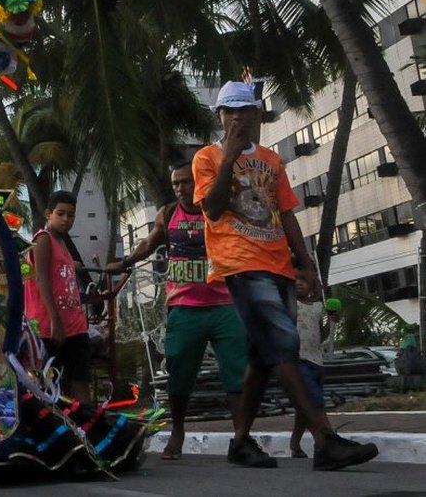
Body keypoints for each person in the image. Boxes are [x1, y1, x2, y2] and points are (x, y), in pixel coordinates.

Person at [192, 80, 378, 471]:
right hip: (240, 263)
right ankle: (325, 440)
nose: (238, 117)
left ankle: (240, 443)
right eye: (230, 111)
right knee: (284, 344)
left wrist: (306, 264)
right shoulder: (206, 158)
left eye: (246, 110)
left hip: (278, 263)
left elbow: (287, 213)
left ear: (259, 115)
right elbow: (210, 209)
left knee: (263, 357)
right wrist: (228, 157)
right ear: (220, 116)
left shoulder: (272, 160)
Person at [105, 162, 247, 460]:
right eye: (176, 184)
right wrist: (126, 263)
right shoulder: (168, 214)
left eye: (186, 182)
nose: (181, 188)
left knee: (236, 374)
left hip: (225, 305)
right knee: (179, 375)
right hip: (184, 308)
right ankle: (178, 432)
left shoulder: (220, 210)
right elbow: (148, 242)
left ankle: (242, 437)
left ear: (201, 183)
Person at [25, 190, 92, 404]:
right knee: (48, 386)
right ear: (48, 214)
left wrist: (74, 266)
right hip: (51, 326)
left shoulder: (61, 243)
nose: (66, 219)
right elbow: (41, 278)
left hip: (75, 325)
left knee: (80, 381)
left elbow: (59, 271)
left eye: (71, 215)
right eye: (60, 214)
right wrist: (55, 321)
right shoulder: (43, 239)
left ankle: (87, 430)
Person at [289, 292, 341, 458]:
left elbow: (320, 336)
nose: (299, 283)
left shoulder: (319, 307)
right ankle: (326, 440)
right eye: (296, 278)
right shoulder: (290, 304)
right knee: (314, 400)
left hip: (316, 360)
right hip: (298, 359)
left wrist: (331, 323)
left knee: (304, 406)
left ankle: (295, 443)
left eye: (304, 278)